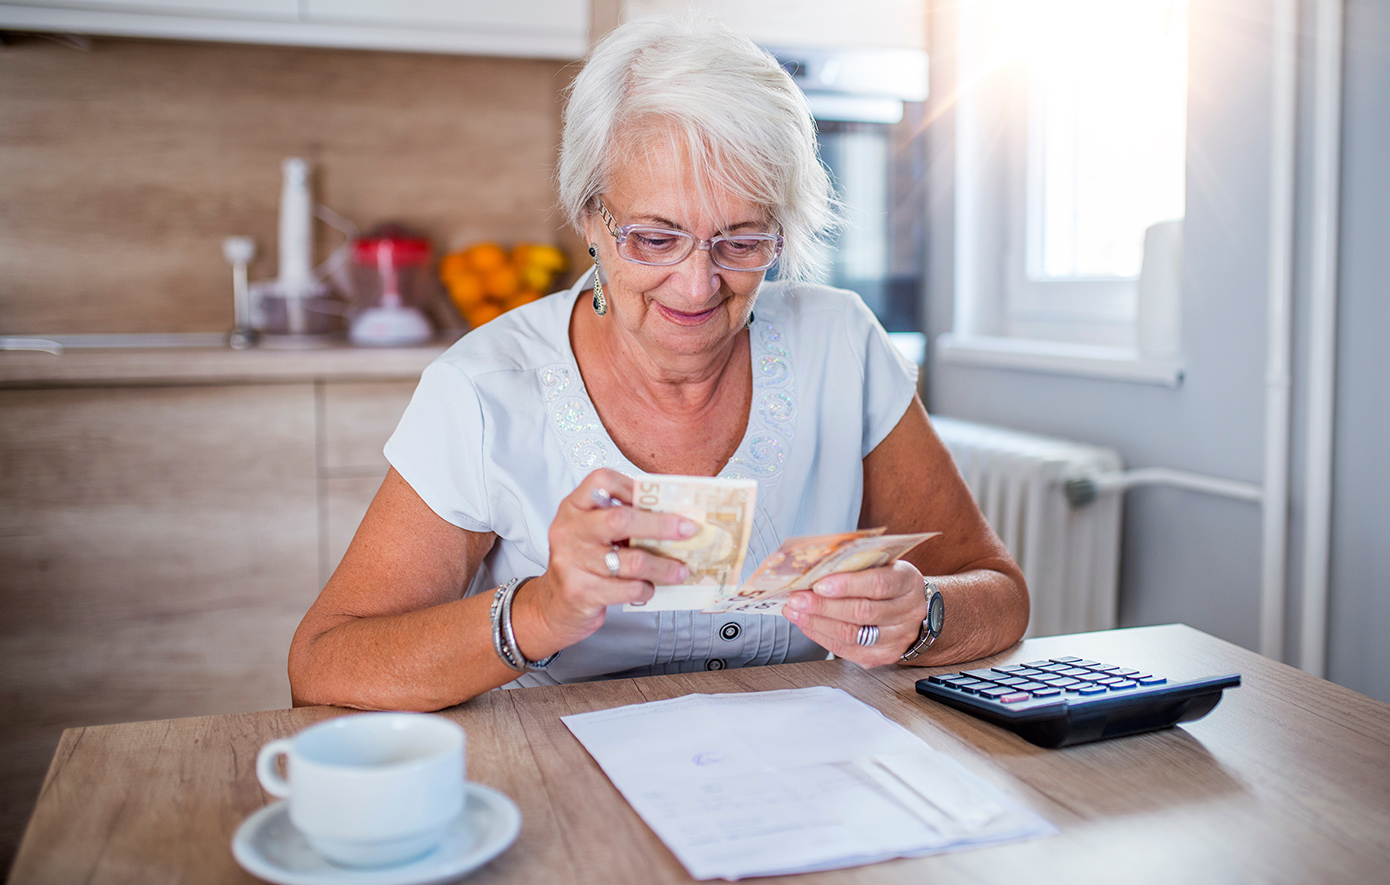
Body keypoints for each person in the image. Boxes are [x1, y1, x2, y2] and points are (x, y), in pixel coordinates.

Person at [288, 16, 1028, 711]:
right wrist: (539, 610)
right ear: (589, 217)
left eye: (742, 241)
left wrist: (921, 612)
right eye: (653, 237)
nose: (697, 284)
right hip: (566, 800)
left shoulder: (842, 344)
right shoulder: (483, 389)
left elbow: (998, 592)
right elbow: (324, 664)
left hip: (796, 784)